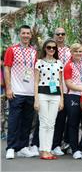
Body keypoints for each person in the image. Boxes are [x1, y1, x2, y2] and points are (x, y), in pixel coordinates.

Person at [4, 25, 37, 159]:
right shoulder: (12, 49)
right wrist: (9, 88)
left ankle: (23, 147)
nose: (25, 35)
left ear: (31, 35)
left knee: (27, 121)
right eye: (23, 33)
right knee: (14, 120)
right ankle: (11, 147)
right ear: (20, 34)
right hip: (16, 91)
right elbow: (7, 69)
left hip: (30, 92)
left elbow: (36, 72)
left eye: (28, 33)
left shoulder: (34, 51)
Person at [34, 39, 64, 160]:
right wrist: (36, 99)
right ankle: (43, 150)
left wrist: (62, 99)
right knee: (44, 123)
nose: (51, 49)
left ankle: (48, 149)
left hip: (55, 95)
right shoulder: (39, 62)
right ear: (45, 48)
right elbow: (36, 82)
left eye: (53, 48)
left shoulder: (59, 63)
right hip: (42, 94)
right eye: (49, 47)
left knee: (51, 124)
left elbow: (60, 83)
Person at [63, 43, 82, 159]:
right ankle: (74, 149)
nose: (79, 54)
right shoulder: (68, 66)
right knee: (73, 123)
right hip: (73, 96)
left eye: (80, 51)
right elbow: (68, 83)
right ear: (71, 53)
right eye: (76, 51)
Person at [51, 27, 71, 156]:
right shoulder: (51, 49)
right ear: (54, 35)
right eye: (58, 34)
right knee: (51, 118)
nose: (60, 36)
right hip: (53, 87)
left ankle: (61, 144)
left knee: (64, 119)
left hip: (68, 88)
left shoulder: (69, 50)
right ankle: (45, 144)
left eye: (62, 34)